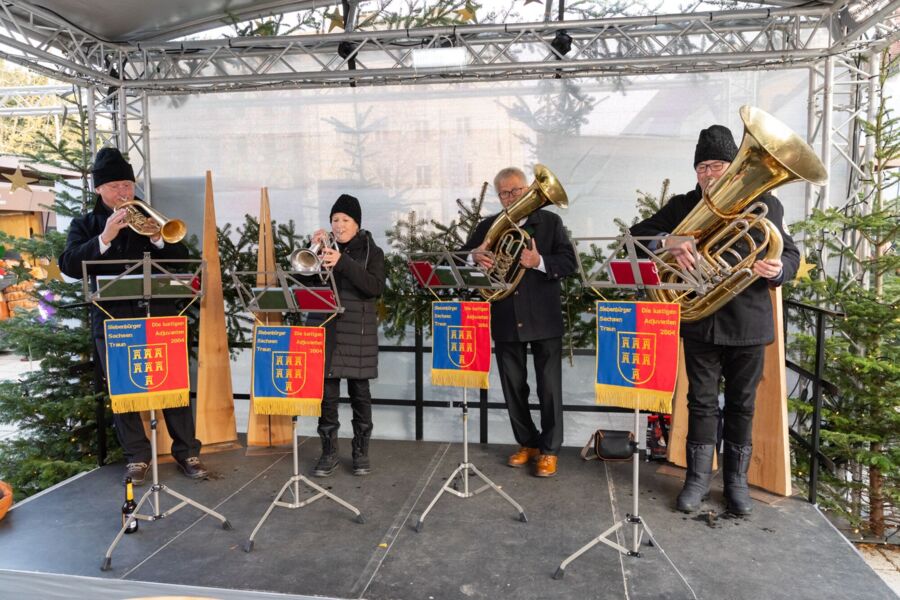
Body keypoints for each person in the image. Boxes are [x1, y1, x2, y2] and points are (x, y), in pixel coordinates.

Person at [630, 125, 799, 515]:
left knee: (742, 404)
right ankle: (698, 479)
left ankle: (736, 482)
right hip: (700, 322)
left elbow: (790, 254)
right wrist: (668, 242)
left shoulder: (765, 203)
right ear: (695, 171)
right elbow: (638, 236)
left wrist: (777, 270)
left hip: (749, 323)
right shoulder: (682, 204)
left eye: (718, 165)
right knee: (700, 403)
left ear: (735, 168)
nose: (709, 173)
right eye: (703, 166)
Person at [58, 147, 208, 486]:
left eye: (128, 185)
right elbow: (68, 264)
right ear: (99, 189)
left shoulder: (151, 217)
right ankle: (137, 457)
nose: (124, 193)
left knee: (174, 386)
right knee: (124, 390)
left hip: (159, 315)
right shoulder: (85, 224)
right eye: (115, 187)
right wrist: (105, 237)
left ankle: (187, 452)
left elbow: (181, 257)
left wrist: (157, 238)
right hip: (113, 321)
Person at [462, 167, 577, 477]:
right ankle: (528, 444)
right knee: (514, 387)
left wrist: (537, 261)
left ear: (528, 190)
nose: (510, 197)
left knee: (549, 388)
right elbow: (462, 258)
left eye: (516, 191)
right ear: (498, 197)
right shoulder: (489, 226)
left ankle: (550, 450)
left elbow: (569, 262)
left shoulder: (550, 222)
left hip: (544, 317)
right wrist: (476, 256)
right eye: (504, 193)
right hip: (506, 316)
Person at [307, 194, 385, 477]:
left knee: (360, 394)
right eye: (335, 220)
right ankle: (328, 452)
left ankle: (360, 451)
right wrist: (312, 249)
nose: (339, 225)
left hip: (357, 332)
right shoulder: (322, 248)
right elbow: (303, 279)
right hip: (326, 329)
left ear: (357, 224)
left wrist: (341, 262)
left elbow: (374, 287)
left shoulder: (371, 252)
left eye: (345, 220)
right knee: (326, 396)